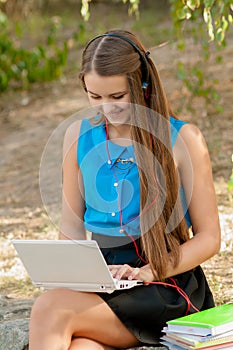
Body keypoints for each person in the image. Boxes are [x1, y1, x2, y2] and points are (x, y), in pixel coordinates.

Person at [29, 29, 221, 350]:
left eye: (117, 97)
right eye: (95, 97)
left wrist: (148, 270)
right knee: (81, 346)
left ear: (142, 85)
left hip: (163, 283)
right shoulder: (77, 137)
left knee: (50, 309)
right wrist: (68, 273)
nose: (107, 108)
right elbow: (72, 228)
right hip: (103, 280)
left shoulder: (184, 139)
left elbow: (210, 238)